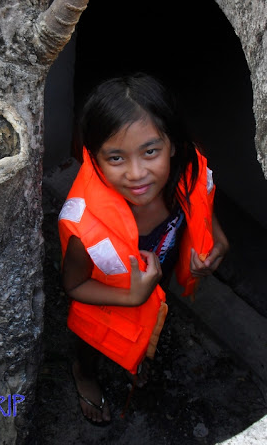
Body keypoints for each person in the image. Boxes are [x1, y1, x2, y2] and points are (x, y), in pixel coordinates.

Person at [58, 73, 229, 424]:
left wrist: (218, 239)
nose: (136, 174)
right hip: (105, 299)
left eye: (150, 152)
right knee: (94, 341)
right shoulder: (84, 226)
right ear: (94, 159)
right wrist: (132, 296)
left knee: (151, 318)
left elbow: (200, 201)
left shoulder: (186, 173)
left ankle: (137, 353)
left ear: (173, 146)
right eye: (116, 158)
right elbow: (73, 285)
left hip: (153, 282)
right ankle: (84, 373)